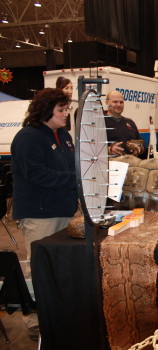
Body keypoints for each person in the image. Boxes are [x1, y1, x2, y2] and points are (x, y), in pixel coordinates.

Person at [10, 88, 78, 340]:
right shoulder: (28, 137)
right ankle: (34, 320)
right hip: (40, 214)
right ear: (45, 110)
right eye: (61, 110)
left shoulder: (64, 135)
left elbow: (74, 165)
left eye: (66, 109)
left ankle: (57, 311)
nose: (65, 114)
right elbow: (37, 174)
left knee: (59, 266)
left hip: (64, 210)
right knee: (38, 267)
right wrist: (77, 179)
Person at [105, 90, 145, 157]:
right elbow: (92, 148)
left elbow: (141, 143)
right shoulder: (101, 122)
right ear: (107, 102)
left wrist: (140, 147)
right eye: (115, 102)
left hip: (131, 164)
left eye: (121, 102)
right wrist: (109, 150)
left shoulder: (130, 122)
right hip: (111, 165)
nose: (118, 104)